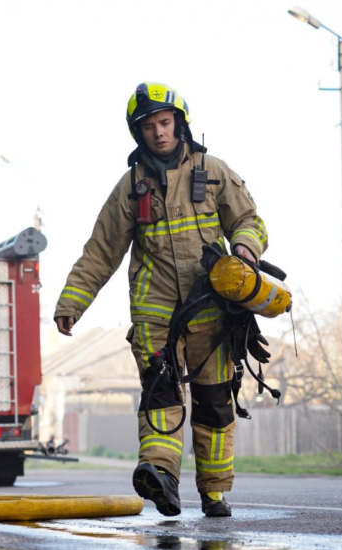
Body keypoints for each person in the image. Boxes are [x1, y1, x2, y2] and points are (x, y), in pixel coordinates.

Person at [54, 82, 269, 517]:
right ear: (139, 132)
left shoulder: (213, 171)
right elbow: (101, 251)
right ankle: (160, 477)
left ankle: (214, 492)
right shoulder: (130, 188)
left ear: (180, 123)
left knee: (214, 403)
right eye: (149, 126)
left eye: (165, 122)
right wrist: (71, 303)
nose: (159, 132)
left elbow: (249, 219)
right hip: (155, 317)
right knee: (161, 396)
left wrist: (245, 247)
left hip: (211, 313)